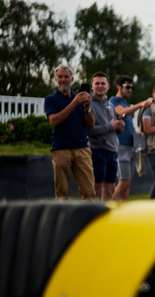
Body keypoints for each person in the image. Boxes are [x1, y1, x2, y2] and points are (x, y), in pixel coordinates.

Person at [44, 65, 96, 199]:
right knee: (62, 193)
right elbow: (53, 121)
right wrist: (74, 103)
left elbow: (90, 124)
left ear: (72, 79)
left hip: (82, 148)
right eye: (60, 77)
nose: (63, 80)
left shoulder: (80, 98)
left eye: (66, 77)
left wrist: (87, 109)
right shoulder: (51, 99)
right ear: (55, 79)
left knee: (89, 192)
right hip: (61, 149)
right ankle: (61, 220)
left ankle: (88, 219)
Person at [110, 75, 153, 200]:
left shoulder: (125, 102)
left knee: (127, 184)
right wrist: (140, 104)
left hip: (130, 146)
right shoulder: (114, 100)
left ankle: (122, 213)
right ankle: (105, 209)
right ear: (118, 86)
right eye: (127, 87)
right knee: (124, 182)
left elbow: (128, 118)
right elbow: (120, 112)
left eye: (131, 87)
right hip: (121, 147)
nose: (130, 90)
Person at [88, 72, 123, 200]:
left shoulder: (111, 105)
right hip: (97, 151)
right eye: (97, 83)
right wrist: (111, 126)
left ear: (108, 86)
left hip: (112, 151)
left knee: (110, 188)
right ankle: (95, 216)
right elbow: (89, 131)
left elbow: (114, 129)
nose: (100, 86)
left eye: (103, 83)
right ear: (92, 86)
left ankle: (106, 216)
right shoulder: (88, 104)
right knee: (97, 188)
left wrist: (119, 127)